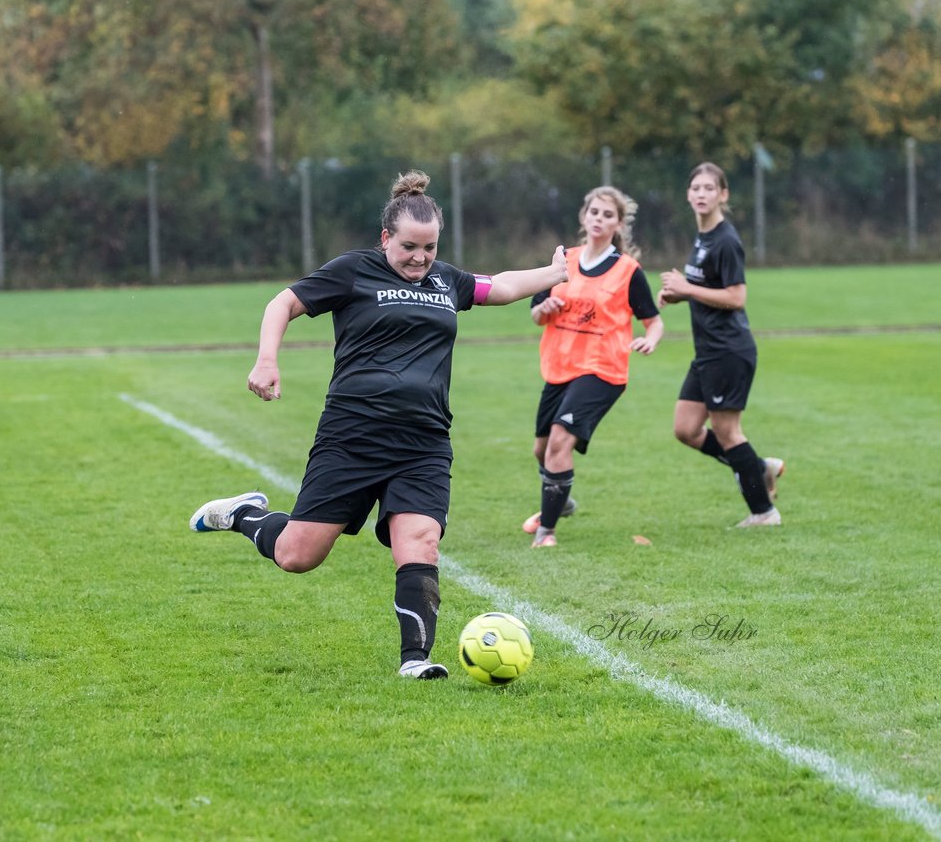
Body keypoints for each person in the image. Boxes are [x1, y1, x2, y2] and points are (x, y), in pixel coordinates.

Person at [189, 170, 571, 679]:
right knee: (298, 556)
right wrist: (266, 360)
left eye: (430, 248)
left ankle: (416, 659)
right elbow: (283, 303)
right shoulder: (353, 271)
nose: (420, 258)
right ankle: (243, 515)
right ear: (386, 238)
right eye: (410, 246)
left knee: (420, 541)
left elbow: (497, 286)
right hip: (352, 437)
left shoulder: (444, 280)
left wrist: (553, 274)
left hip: (424, 441)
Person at [521, 186, 664, 548]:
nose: (599, 219)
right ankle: (561, 499)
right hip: (559, 367)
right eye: (594, 212)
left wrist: (652, 339)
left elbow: (653, 320)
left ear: (618, 223)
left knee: (558, 442)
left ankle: (546, 532)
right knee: (542, 451)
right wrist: (544, 310)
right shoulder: (563, 260)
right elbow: (537, 312)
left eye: (607, 214)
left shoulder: (628, 271)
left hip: (602, 370)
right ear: (584, 216)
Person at [657, 162, 784, 528]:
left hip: (729, 350)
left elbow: (736, 296)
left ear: (723, 195)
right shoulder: (702, 237)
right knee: (685, 429)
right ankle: (758, 465)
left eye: (709, 188)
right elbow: (709, 290)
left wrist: (687, 289)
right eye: (695, 187)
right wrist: (679, 296)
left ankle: (764, 512)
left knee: (728, 432)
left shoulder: (726, 240)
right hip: (708, 352)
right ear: (688, 194)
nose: (701, 194)